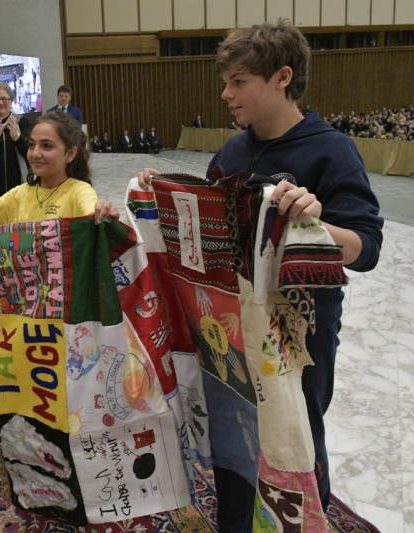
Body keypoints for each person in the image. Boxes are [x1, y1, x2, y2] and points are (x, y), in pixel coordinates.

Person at [139, 19, 383, 532]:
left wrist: (315, 221)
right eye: (225, 82)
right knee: (235, 433)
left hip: (301, 339)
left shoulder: (330, 150)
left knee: (294, 436)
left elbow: (366, 248)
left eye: (239, 81)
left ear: (282, 77)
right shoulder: (231, 152)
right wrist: (161, 194)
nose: (226, 94)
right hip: (229, 328)